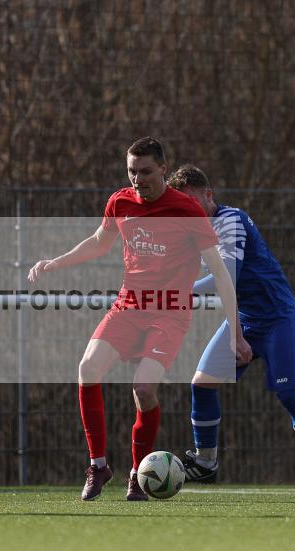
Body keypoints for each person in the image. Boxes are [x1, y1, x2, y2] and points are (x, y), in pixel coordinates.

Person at [28, 138, 243, 501]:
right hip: (128, 306)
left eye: (145, 171)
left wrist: (236, 332)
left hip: (170, 312)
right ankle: (98, 465)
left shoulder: (187, 210)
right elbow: (99, 241)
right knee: (87, 368)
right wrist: (56, 262)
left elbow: (221, 274)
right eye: (132, 172)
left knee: (143, 390)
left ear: (163, 168)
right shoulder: (121, 201)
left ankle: (137, 473)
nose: (138, 179)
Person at [167, 164, 295, 500]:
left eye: (191, 201)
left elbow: (228, 274)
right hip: (245, 317)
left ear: (208, 196)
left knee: (289, 395)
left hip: (277, 318)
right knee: (202, 384)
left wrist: (181, 292)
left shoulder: (230, 220)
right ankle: (206, 462)